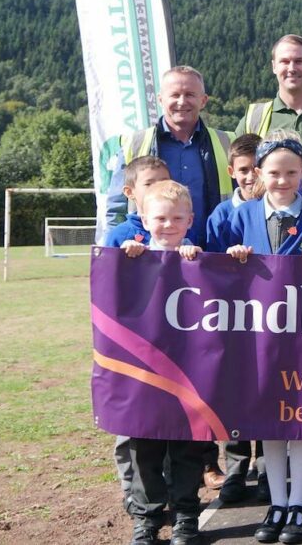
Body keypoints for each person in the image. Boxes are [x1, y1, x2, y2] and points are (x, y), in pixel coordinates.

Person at [225, 132, 302, 544]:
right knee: (270, 422)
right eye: (274, 173)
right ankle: (276, 503)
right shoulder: (241, 216)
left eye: (291, 173)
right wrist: (232, 257)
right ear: (259, 173)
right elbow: (214, 268)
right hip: (258, 336)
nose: (282, 180)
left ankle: (299, 503)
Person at [118, 180, 205, 545]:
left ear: (190, 221)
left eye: (177, 218)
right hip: (143, 373)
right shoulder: (130, 258)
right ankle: (147, 518)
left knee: (187, 447)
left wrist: (197, 260)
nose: (168, 225)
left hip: (189, 372)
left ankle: (186, 516)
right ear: (144, 219)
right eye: (160, 218)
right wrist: (127, 260)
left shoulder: (199, 259)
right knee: (144, 448)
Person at [103, 155, 172, 512]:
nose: (159, 188)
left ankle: (170, 490)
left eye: (164, 181)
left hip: (172, 345)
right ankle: (133, 493)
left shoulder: (180, 231)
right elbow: (106, 290)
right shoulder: (120, 235)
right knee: (132, 423)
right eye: (150, 183)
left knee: (169, 420)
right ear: (130, 192)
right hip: (132, 348)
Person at [107, 65, 233, 247]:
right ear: (160, 99)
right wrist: (114, 253)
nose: (182, 102)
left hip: (213, 251)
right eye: (174, 95)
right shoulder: (134, 144)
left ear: (203, 100)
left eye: (190, 94)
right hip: (147, 253)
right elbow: (115, 210)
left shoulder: (227, 142)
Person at [203, 132, 264, 503]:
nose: (251, 176)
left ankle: (268, 468)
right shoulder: (222, 215)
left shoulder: (278, 212)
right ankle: (237, 470)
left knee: (269, 391)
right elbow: (210, 266)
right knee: (235, 393)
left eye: (257, 168)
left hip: (272, 319)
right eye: (244, 170)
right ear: (232, 172)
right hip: (233, 318)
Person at [236, 34, 302, 145]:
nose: (292, 68)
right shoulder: (253, 119)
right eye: (285, 61)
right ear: (274, 66)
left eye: (299, 61)